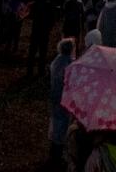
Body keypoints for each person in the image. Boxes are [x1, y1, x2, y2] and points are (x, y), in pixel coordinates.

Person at [48, 38, 75, 167]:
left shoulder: (56, 61)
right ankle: (58, 154)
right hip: (64, 99)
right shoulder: (69, 64)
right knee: (63, 125)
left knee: (55, 122)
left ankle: (53, 150)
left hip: (54, 97)